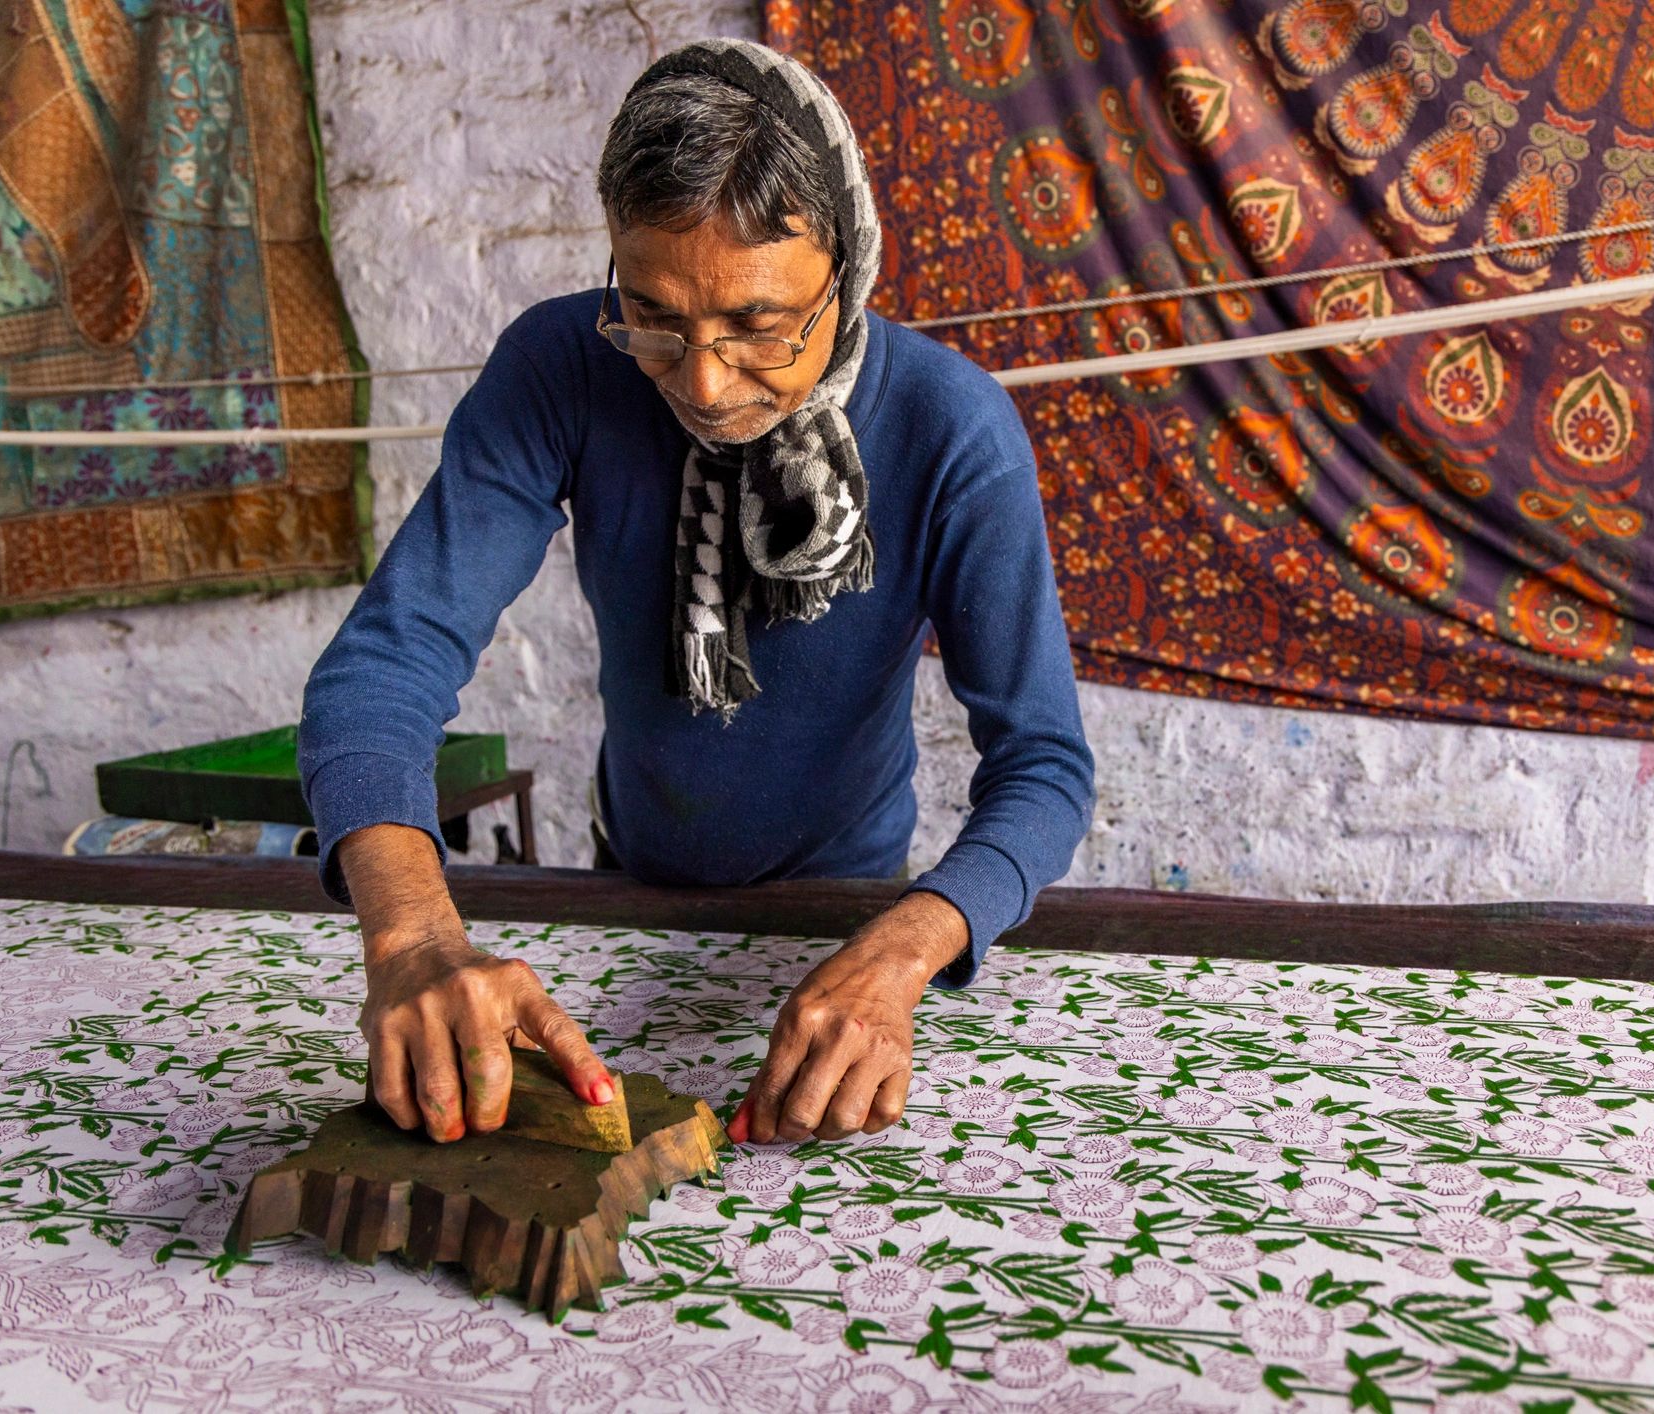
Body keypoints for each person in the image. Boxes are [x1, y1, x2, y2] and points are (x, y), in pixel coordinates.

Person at [296, 38, 1094, 1149]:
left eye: (759, 327)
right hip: (627, 879)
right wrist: (414, 941)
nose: (706, 384)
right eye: (657, 319)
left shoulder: (952, 431)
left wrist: (908, 946)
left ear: (847, 269)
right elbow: (387, 664)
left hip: (852, 914)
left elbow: (1044, 765)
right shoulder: (562, 367)